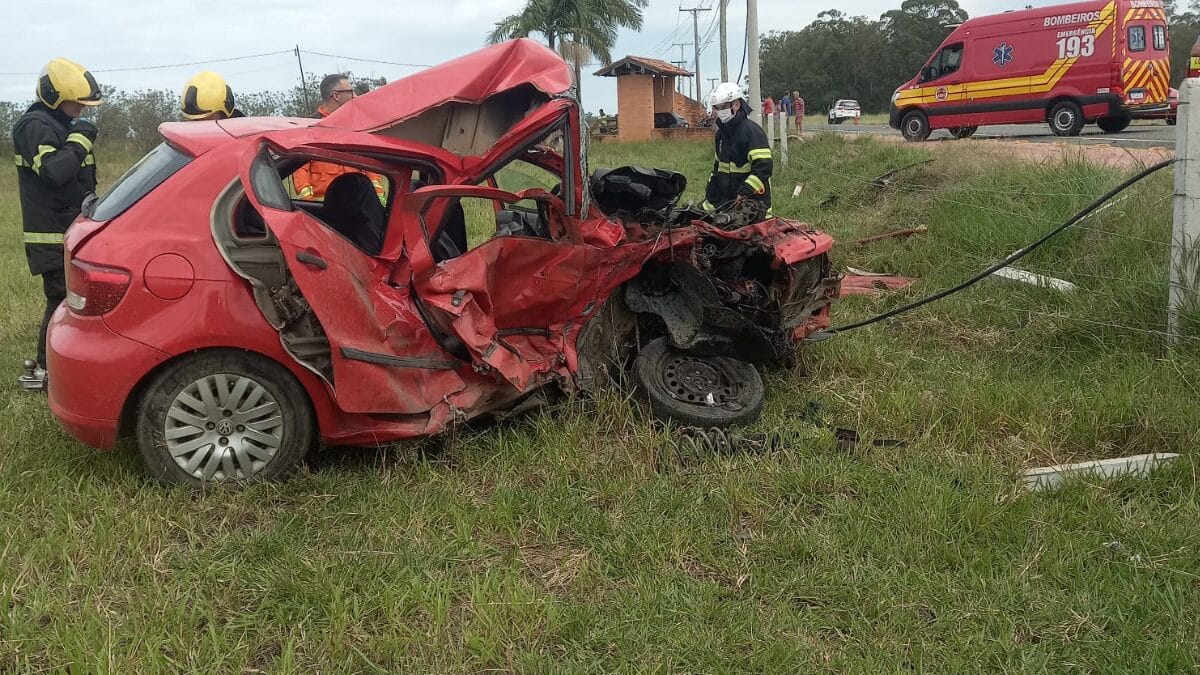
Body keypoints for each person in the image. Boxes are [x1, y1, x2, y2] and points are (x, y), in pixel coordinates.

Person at [12, 58, 102, 388]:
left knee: (67, 301)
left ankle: (51, 369)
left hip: (68, 230)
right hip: (50, 235)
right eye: (75, 102)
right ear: (53, 96)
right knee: (62, 301)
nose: (80, 109)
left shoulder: (60, 124)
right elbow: (54, 171)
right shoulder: (34, 126)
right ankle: (48, 373)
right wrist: (80, 140)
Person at [292, 74, 384, 201]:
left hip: (358, 203)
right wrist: (310, 203)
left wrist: (377, 196)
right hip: (324, 208)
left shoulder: (357, 125)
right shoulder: (309, 126)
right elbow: (299, 168)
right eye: (350, 92)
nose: (355, 96)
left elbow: (369, 162)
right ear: (336, 95)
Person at [702, 82, 773, 215]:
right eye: (716, 107)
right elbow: (717, 169)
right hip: (727, 204)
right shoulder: (721, 135)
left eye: (723, 107)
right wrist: (711, 195)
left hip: (754, 205)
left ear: (736, 105)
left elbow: (763, 168)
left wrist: (744, 192)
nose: (719, 111)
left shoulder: (752, 132)